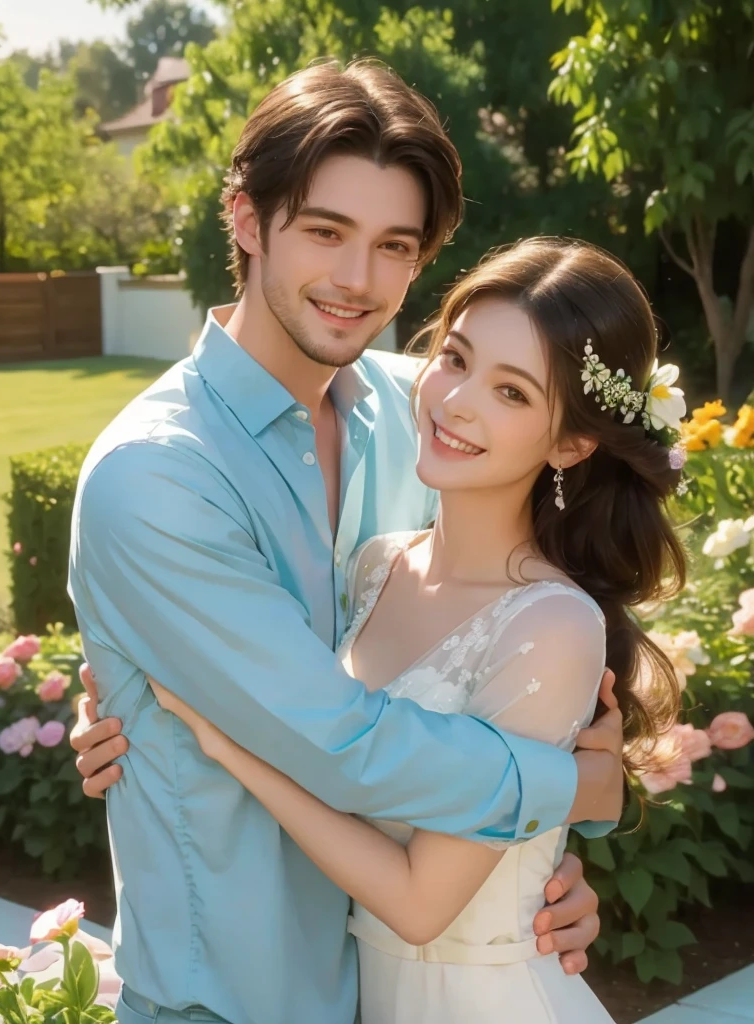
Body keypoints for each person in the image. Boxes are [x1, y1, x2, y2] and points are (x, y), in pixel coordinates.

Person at [67, 61, 624, 1024]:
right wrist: (572, 786)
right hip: (232, 999)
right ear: (246, 219)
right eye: (325, 232)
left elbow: (538, 633)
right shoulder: (155, 478)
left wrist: (529, 869)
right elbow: (344, 743)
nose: (357, 281)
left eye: (394, 245)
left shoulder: (428, 414)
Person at [137, 236, 686, 1023]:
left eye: (513, 393)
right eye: (456, 359)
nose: (457, 401)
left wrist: (223, 737)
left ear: (572, 441)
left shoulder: (552, 626)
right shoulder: (374, 566)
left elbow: (422, 903)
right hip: (360, 995)